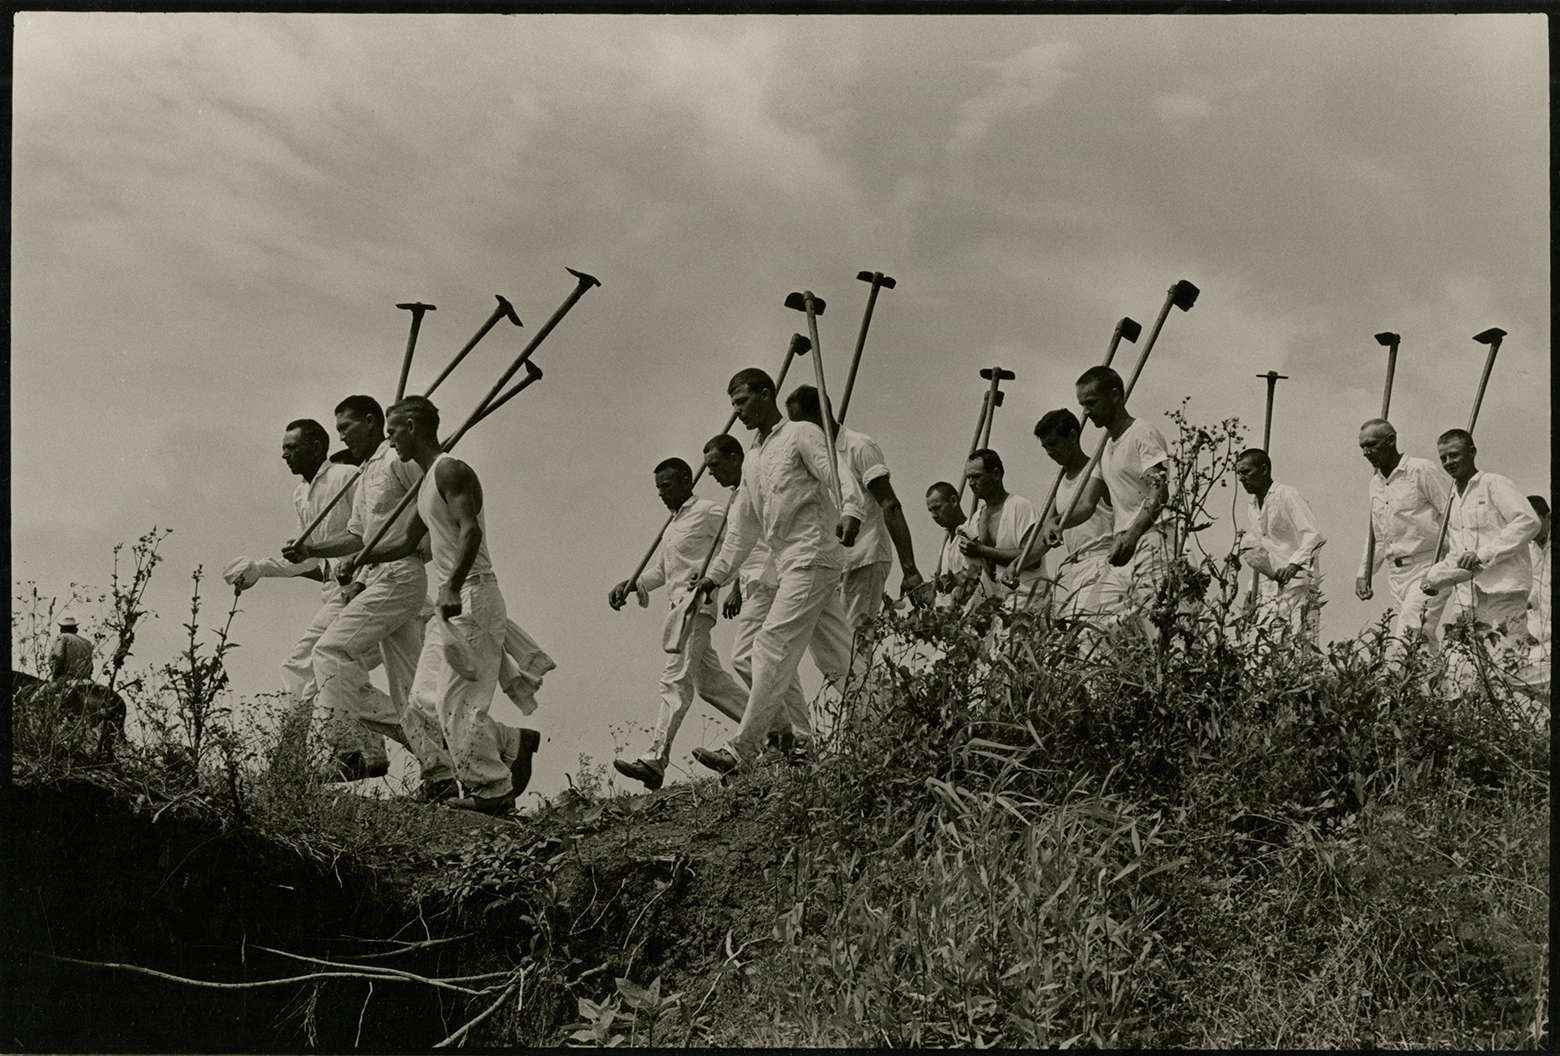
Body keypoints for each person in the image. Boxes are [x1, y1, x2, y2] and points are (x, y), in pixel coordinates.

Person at [347, 395, 541, 814]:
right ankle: (512, 745)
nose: (390, 441)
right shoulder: (424, 482)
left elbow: (469, 530)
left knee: (457, 702)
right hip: (449, 605)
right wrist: (362, 557)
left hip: (473, 594)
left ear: (413, 427)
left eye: (393, 432)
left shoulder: (452, 470)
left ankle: (493, 792)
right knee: (420, 702)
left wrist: (451, 584)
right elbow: (402, 541)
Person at [688, 367, 867, 774]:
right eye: (732, 404)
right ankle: (892, 724)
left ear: (767, 395)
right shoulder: (752, 459)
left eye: (743, 401)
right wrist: (715, 577)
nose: (737, 412)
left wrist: (852, 510)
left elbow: (836, 473)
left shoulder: (801, 433)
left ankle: (745, 750)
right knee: (841, 658)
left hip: (814, 554)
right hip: (788, 565)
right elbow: (742, 530)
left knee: (767, 646)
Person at [224, 418, 394, 777]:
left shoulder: (347, 476)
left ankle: (291, 762)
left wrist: (358, 580)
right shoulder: (301, 495)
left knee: (303, 667)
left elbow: (368, 534)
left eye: (292, 447)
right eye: (283, 448)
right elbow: (313, 560)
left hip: (363, 587)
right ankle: (491, 742)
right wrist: (260, 568)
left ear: (317, 447)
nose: (284, 454)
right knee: (338, 681)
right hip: (337, 591)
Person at [283, 396, 424, 787]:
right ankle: (475, 758)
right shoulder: (363, 474)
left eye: (345, 427)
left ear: (370, 421)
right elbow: (355, 537)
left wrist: (364, 568)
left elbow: (426, 510)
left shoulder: (389, 464)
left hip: (393, 578)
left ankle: (345, 749)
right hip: (369, 581)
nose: (340, 436)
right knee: (408, 692)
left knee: (324, 655)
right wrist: (311, 551)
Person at [607, 457, 749, 790]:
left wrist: (737, 587)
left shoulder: (709, 511)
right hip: (677, 608)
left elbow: (741, 545)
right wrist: (632, 584)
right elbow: (662, 572)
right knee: (711, 686)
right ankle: (775, 731)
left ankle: (656, 759)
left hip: (697, 604)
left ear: (687, 480)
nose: (661, 494)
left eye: (667, 486)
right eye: (658, 489)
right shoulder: (672, 524)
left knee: (674, 678)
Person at [703, 433, 811, 751]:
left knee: (747, 656)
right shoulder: (737, 494)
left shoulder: (758, 485)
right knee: (772, 659)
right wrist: (734, 584)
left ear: (736, 459)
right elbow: (740, 544)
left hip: (771, 577)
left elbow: (767, 537)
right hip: (752, 581)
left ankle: (787, 731)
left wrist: (745, 581)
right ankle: (792, 735)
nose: (711, 473)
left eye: (715, 465)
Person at [783, 386, 923, 626]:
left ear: (819, 414)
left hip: (864, 558)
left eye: (801, 424)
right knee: (837, 646)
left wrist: (910, 570)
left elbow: (890, 505)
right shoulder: (813, 457)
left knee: (855, 645)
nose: (799, 433)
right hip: (835, 563)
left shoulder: (858, 446)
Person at [1067, 365, 1171, 640]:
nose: (1086, 413)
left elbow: (1159, 493)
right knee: (1091, 626)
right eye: (1082, 405)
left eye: (1090, 403)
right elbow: (1087, 504)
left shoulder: (1142, 432)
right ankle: (1117, 682)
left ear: (1114, 396)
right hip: (1122, 549)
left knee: (1157, 629)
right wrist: (1057, 523)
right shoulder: (1106, 448)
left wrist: (1132, 536)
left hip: (1151, 542)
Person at [1418, 430, 1540, 650]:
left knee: (1511, 664)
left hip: (1503, 589)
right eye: (1443, 458)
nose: (1448, 462)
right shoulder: (1453, 499)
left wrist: (1483, 554)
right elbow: (1458, 554)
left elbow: (1527, 522)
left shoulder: (1493, 483)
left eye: (1454, 455)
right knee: (1474, 671)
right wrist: (1434, 577)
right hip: (1469, 597)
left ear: (1472, 452)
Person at [1354, 419, 1452, 652]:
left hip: (1429, 565)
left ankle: (1398, 686)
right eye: (1362, 447)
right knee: (1422, 640)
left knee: (1410, 631)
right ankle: (1434, 688)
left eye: (1371, 445)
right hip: (1397, 574)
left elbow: (1452, 513)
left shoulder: (1421, 469)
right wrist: (1364, 572)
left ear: (1391, 441)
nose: (1366, 453)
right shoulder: (1375, 484)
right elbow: (1379, 534)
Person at [1232, 448, 1326, 643]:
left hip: (1298, 587)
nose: (1241, 478)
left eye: (1246, 472)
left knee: (1301, 650)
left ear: (1264, 469)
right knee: (1268, 652)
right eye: (1239, 473)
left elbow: (1314, 534)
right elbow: (1262, 552)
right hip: (1269, 590)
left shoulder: (1286, 495)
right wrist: (1251, 593)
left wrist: (1293, 565)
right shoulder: (1252, 506)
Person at [1032, 409, 1116, 618]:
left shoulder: (1096, 470)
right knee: (1081, 642)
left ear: (1072, 437)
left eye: (1053, 444)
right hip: (1076, 567)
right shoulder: (1058, 485)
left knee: (1093, 636)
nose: (1050, 452)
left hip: (1102, 560)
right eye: (1045, 448)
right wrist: (1016, 566)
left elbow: (1086, 506)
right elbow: (1045, 536)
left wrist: (1056, 521)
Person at [959, 449, 1047, 606]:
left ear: (996, 474)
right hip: (998, 604)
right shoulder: (976, 518)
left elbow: (1034, 558)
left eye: (977, 476)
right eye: (969, 478)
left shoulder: (1019, 507)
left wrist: (982, 550)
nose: (971, 483)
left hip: (1028, 599)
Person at [925, 481, 976, 608]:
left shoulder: (972, 532)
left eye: (937, 508)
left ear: (954, 501)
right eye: (930, 510)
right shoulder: (946, 544)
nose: (933, 515)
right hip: (948, 616)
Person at [1523, 496, 1550, 690]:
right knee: (1516, 677)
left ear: (1548, 517)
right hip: (1540, 640)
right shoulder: (1527, 552)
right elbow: (1534, 592)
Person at [49, 615, 94, 683]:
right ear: (76, 630)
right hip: (85, 678)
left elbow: (58, 656)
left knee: (40, 692)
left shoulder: (62, 637)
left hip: (67, 677)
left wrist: (55, 676)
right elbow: (90, 664)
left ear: (61, 629)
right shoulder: (87, 642)